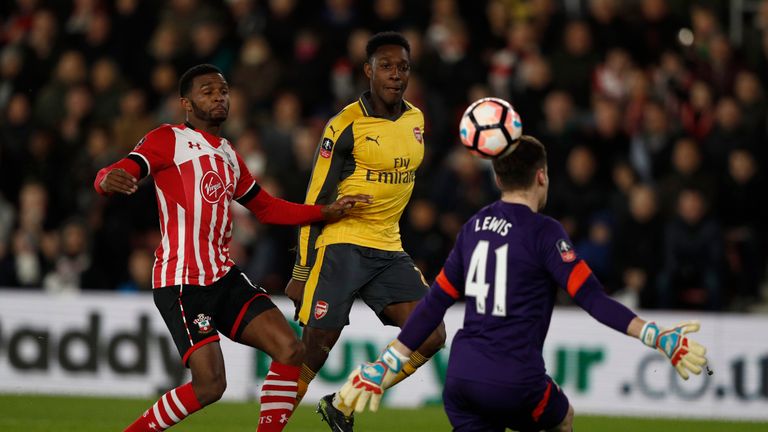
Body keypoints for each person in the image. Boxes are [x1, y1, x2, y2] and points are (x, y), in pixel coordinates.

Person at [337, 136, 709, 432]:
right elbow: (593, 300)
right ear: (542, 176)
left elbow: (434, 302)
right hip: (515, 381)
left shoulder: (474, 226)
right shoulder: (545, 232)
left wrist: (386, 362)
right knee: (563, 419)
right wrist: (656, 335)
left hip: (462, 379)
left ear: (498, 179)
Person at [94, 63, 371, 432]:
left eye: (223, 91)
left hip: (223, 275)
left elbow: (267, 208)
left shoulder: (227, 153)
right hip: (183, 281)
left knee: (291, 350)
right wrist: (105, 179)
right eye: (208, 91)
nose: (219, 97)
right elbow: (121, 168)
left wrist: (325, 211)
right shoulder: (167, 139)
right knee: (211, 386)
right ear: (186, 103)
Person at [283, 31, 446, 431]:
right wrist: (302, 271)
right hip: (341, 245)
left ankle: (345, 401)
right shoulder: (344, 125)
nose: (396, 75)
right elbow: (315, 199)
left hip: (389, 247)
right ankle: (269, 424)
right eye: (386, 66)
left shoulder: (416, 120)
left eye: (403, 67)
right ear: (368, 71)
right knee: (314, 352)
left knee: (431, 335)